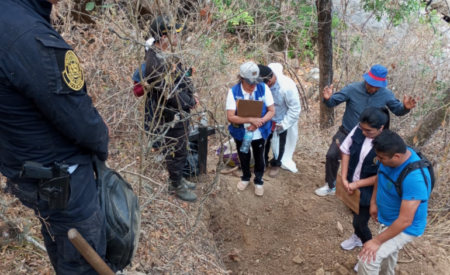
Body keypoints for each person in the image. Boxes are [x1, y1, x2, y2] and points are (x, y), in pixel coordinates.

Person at [0, 0, 111, 274]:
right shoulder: (27, 35)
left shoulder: (13, 17)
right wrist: (102, 144)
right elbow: (82, 123)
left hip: (32, 173)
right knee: (83, 263)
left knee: (61, 242)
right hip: (63, 180)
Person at [315, 64, 418, 197]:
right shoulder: (352, 89)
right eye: (371, 84)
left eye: (377, 86)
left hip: (371, 137)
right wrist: (328, 99)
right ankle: (330, 185)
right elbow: (334, 101)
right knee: (332, 154)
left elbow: (397, 110)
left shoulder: (386, 94)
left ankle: (360, 192)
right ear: (366, 79)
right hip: (348, 131)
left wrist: (405, 108)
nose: (373, 88)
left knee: (369, 164)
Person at [358, 130, 431, 274]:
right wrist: (374, 202)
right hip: (390, 219)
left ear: (397, 157)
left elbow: (405, 221)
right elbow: (380, 176)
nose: (378, 160)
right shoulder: (390, 155)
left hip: (405, 227)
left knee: (368, 260)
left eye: (381, 158)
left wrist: (377, 241)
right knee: (388, 256)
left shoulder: (414, 179)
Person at [144, 15, 199, 202]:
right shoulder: (155, 61)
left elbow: (182, 76)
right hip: (169, 114)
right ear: (162, 37)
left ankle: (177, 179)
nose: (177, 37)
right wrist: (189, 102)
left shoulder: (170, 53)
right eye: (173, 34)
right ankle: (176, 184)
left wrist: (193, 94)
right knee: (176, 149)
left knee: (181, 147)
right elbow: (168, 93)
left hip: (181, 110)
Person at [339, 107, 390, 272]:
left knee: (360, 223)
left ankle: (368, 254)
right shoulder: (360, 129)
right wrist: (345, 178)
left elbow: (382, 174)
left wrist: (357, 184)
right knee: (355, 213)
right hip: (351, 183)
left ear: (381, 128)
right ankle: (358, 238)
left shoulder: (387, 144)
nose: (364, 132)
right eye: (362, 128)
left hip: (369, 190)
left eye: (369, 131)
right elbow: (346, 150)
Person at [226, 61, 275, 196]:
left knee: (260, 157)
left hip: (260, 131)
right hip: (241, 131)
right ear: (242, 78)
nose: (253, 85)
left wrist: (259, 122)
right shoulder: (233, 92)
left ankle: (258, 181)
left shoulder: (263, 88)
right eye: (250, 82)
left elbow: (271, 111)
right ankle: (245, 177)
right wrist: (250, 120)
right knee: (244, 155)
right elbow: (231, 116)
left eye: (255, 82)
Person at [258, 64, 301, 178]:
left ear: (271, 79)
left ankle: (276, 164)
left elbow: (295, 109)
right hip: (265, 118)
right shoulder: (260, 84)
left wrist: (283, 124)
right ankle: (262, 162)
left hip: (281, 120)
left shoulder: (287, 87)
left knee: (278, 145)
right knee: (263, 143)